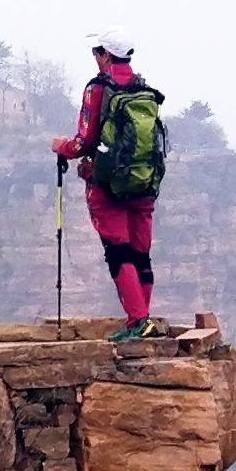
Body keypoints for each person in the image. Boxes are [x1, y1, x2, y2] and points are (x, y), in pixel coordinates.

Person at [53, 35, 172, 340]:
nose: (95, 56)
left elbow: (84, 142)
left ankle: (138, 321)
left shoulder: (98, 89)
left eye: (97, 51)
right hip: (144, 181)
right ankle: (142, 319)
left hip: (108, 186)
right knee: (141, 253)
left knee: (118, 252)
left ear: (106, 55)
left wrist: (61, 147)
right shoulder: (143, 89)